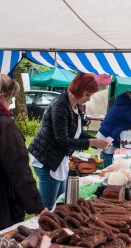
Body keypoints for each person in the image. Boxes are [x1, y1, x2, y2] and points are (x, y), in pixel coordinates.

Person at [29, 73, 110, 210]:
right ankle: (42, 230)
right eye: (87, 95)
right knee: (48, 207)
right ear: (79, 90)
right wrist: (91, 142)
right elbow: (62, 140)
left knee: (61, 203)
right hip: (47, 160)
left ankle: (55, 229)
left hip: (59, 160)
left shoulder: (75, 106)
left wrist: (96, 140)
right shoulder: (60, 106)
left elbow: (77, 132)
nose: (89, 99)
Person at [0, 67, 46, 233]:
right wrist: (38, 207)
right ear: (1, 96)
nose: (12, 103)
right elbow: (18, 169)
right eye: (11, 98)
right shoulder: (3, 125)